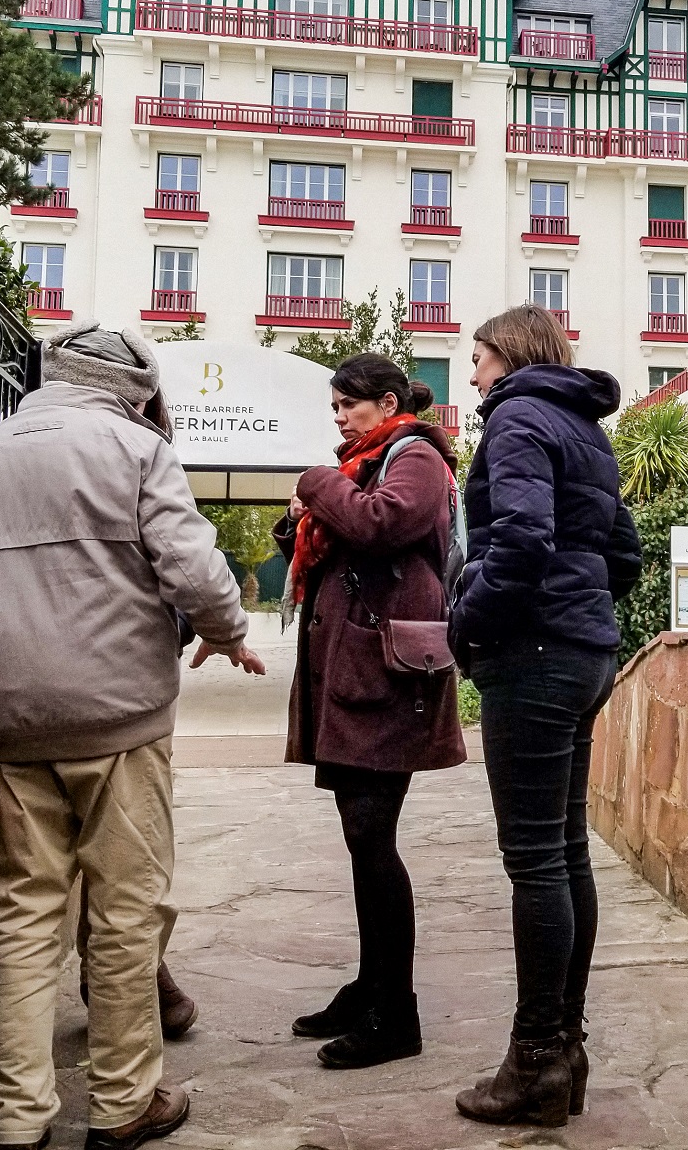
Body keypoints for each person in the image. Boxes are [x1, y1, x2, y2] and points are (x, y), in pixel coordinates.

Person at [0, 321, 265, 1150]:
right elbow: (192, 569)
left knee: (24, 911)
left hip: (10, 722)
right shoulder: (138, 450)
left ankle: (18, 1117)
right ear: (136, 389)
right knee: (124, 912)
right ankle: (121, 1104)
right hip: (121, 720)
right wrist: (228, 627)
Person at [449, 306, 641, 1129]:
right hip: (583, 650)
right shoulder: (585, 429)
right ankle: (564, 1049)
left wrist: (471, 622)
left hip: (535, 655)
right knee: (564, 853)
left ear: (511, 354)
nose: (472, 374)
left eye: (479, 357)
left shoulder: (520, 416)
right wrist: (583, 606)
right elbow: (623, 554)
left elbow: (521, 538)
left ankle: (535, 1062)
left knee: (535, 860)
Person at [273, 353, 465, 1069]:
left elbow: (384, 525)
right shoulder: (364, 460)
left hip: (388, 679)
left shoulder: (412, 456)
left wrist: (315, 484)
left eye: (348, 405)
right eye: (335, 407)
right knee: (363, 838)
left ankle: (397, 1014)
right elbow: (334, 539)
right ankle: (372, 985)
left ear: (386, 403)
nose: (339, 417)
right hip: (357, 673)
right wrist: (301, 520)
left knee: (373, 837)